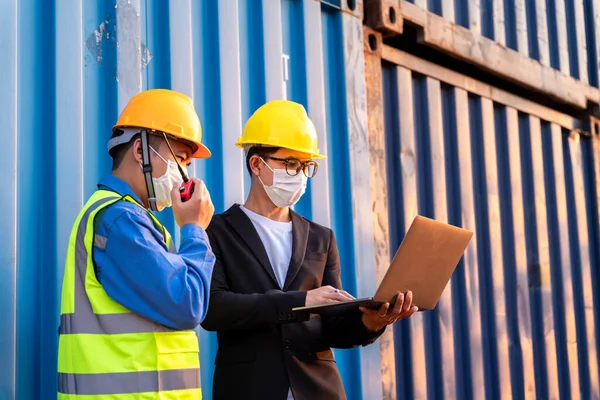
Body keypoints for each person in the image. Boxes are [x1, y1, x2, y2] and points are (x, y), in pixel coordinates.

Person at [201, 100, 418, 400]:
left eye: (306, 166)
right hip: (248, 388)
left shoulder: (321, 238)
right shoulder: (216, 231)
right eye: (291, 163)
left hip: (319, 390)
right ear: (256, 164)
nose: (300, 174)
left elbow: (334, 327)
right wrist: (301, 301)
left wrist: (373, 321)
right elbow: (214, 310)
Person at [57, 89, 215, 399]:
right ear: (141, 151)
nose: (185, 177)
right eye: (180, 159)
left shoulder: (131, 219)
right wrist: (195, 229)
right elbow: (188, 303)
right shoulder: (120, 221)